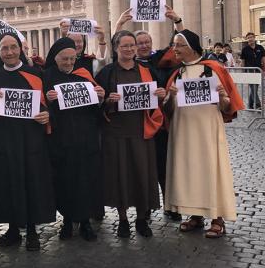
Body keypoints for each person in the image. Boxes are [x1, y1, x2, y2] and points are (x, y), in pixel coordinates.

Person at [163, 29, 244, 238]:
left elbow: (228, 107)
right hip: (183, 131)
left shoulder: (213, 69)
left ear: (191, 47)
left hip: (207, 130)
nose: (175, 49)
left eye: (178, 45)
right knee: (189, 171)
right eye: (174, 45)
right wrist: (169, 98)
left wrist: (222, 98)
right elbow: (167, 111)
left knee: (211, 169)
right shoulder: (177, 72)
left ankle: (217, 219)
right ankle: (196, 216)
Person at [0, 33, 55, 251]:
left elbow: (45, 104)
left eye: (13, 47)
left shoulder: (35, 73)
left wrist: (47, 116)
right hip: (4, 139)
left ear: (20, 49)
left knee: (32, 181)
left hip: (31, 138)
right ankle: (13, 229)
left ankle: (33, 230)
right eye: (4, 48)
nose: (9, 52)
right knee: (8, 184)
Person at [95, 31, 166, 238]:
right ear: (116, 48)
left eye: (132, 45)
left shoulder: (147, 70)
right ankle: (123, 219)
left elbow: (157, 100)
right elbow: (97, 103)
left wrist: (161, 95)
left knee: (142, 175)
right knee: (120, 177)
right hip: (115, 132)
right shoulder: (106, 73)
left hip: (141, 130)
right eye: (124, 46)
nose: (129, 49)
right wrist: (107, 101)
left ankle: (142, 219)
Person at [43, 37, 105, 241]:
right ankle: (68, 220)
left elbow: (96, 108)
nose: (69, 63)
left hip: (85, 138)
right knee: (64, 181)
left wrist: (101, 96)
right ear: (55, 58)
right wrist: (49, 101)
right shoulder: (46, 77)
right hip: (61, 140)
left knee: (86, 180)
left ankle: (85, 222)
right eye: (64, 59)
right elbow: (40, 108)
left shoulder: (84, 74)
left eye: (72, 58)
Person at [240, 32, 265, 109]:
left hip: (258, 70)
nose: (250, 39)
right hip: (249, 71)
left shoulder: (260, 47)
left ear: (254, 38)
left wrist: (263, 69)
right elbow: (243, 61)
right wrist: (243, 72)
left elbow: (263, 59)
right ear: (246, 39)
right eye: (248, 38)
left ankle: (250, 104)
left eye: (251, 37)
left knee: (255, 89)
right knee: (253, 88)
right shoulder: (244, 49)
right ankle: (258, 105)